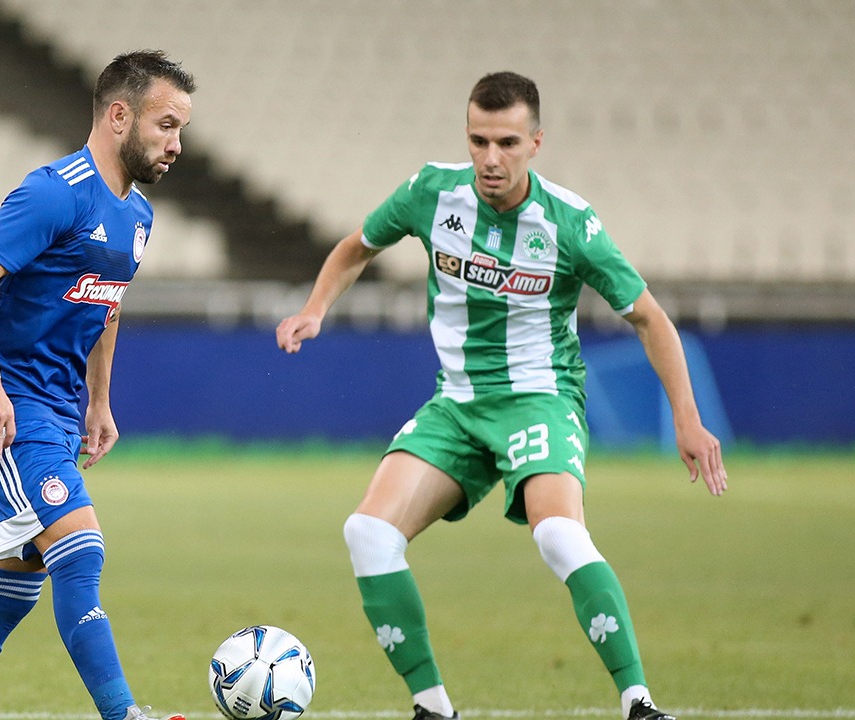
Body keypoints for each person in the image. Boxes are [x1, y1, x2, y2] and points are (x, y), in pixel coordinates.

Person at [276, 71, 727, 720]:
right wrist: (315, 309)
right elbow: (356, 248)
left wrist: (687, 418)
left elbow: (649, 318)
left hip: (539, 399)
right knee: (367, 533)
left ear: (535, 143)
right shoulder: (432, 192)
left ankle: (639, 702)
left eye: (508, 143)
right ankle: (434, 708)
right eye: (479, 140)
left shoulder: (569, 223)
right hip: (457, 404)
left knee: (559, 536)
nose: (491, 158)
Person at [0, 50, 195, 720]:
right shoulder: (54, 192)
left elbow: (107, 305)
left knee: (4, 599)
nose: (177, 144)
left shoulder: (138, 215)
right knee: (81, 550)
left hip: (59, 414)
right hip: (8, 414)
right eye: (166, 125)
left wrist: (99, 401)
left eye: (181, 129)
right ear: (119, 116)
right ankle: (125, 714)